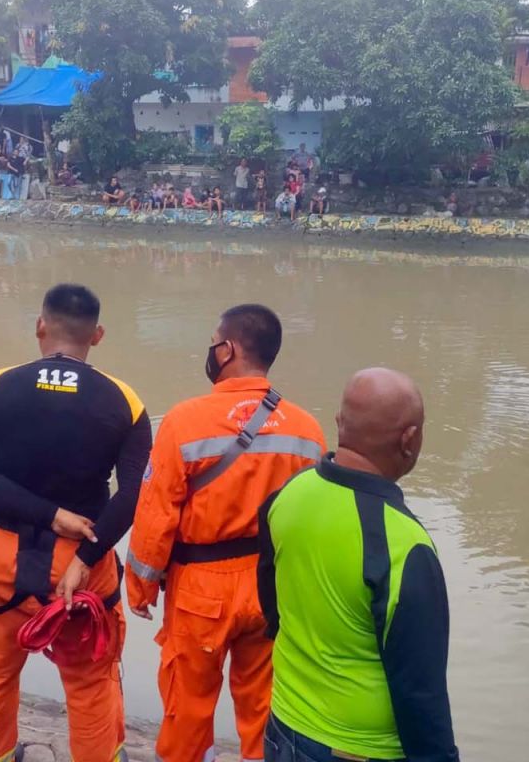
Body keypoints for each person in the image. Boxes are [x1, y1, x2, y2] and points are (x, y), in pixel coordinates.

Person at [0, 284, 152, 762]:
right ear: (98, 335)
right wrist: (85, 555)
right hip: (81, 564)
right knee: (90, 683)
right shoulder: (124, 402)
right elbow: (135, 495)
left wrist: (46, 515)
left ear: (40, 325)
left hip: (0, 557)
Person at [126, 305, 326, 762]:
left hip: (201, 591)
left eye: (215, 342)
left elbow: (157, 512)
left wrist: (140, 586)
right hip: (272, 588)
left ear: (228, 348)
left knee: (188, 708)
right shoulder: (307, 430)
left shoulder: (184, 421)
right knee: (265, 708)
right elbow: (313, 520)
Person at [259, 368, 459, 762]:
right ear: (410, 439)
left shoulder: (288, 496)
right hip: (359, 750)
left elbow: (273, 607)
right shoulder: (405, 544)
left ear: (339, 423)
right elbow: (421, 694)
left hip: (283, 725)